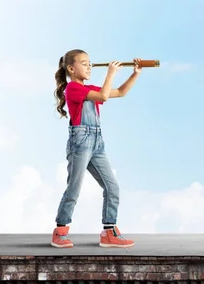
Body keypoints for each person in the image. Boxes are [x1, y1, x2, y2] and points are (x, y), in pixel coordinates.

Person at [51, 49, 141, 248]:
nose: (89, 66)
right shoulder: (73, 89)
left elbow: (119, 92)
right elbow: (104, 96)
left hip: (97, 142)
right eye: (84, 63)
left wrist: (135, 73)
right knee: (74, 188)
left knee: (112, 187)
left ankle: (109, 232)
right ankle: (60, 231)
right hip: (81, 142)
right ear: (71, 68)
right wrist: (110, 73)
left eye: (90, 63)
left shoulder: (88, 88)